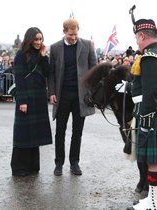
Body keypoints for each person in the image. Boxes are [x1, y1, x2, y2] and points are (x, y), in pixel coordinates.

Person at [117, 18, 157, 210]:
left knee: (154, 163)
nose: (136, 42)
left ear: (142, 35)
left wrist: (145, 121)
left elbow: (151, 91)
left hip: (153, 114)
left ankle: (155, 205)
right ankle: (151, 200)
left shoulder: (150, 56)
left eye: (137, 38)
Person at [48, 19, 97, 176]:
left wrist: (91, 92)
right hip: (62, 96)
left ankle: (74, 162)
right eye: (70, 34)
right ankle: (59, 163)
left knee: (78, 131)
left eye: (76, 34)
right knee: (60, 131)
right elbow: (51, 73)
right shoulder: (55, 48)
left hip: (81, 97)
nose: (74, 37)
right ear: (64, 31)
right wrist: (52, 92)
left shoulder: (87, 45)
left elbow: (94, 70)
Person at [11, 27, 52, 177]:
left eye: (40, 39)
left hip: (39, 97)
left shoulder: (40, 54)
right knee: (23, 134)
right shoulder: (21, 55)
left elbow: (48, 73)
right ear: (29, 39)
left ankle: (33, 166)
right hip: (26, 97)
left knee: (34, 134)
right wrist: (22, 101)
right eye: (36, 39)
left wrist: (44, 56)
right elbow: (20, 79)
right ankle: (19, 168)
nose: (38, 42)